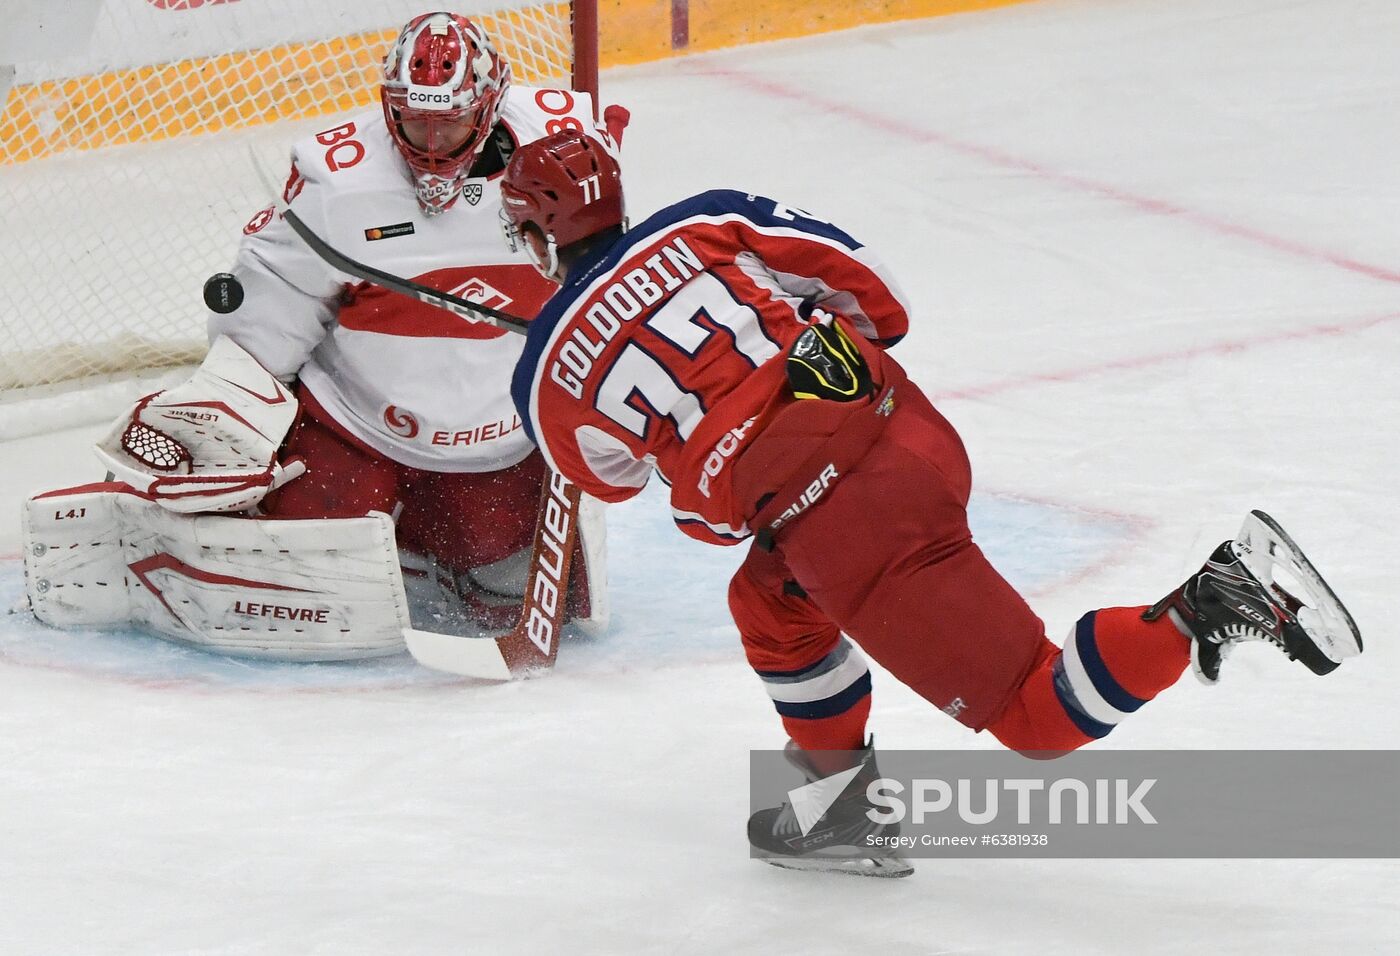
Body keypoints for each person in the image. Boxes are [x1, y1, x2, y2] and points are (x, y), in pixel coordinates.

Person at [496, 131, 1365, 875]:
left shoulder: (541, 373)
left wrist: (720, 450)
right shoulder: (706, 221)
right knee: (767, 600)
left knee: (1037, 716)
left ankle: (1203, 601)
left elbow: (636, 487)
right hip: (914, 437)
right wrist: (822, 384)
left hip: (851, 525)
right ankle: (837, 811)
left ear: (537, 233)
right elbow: (876, 296)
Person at [22, 15, 619, 660]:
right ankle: (174, 533)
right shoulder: (340, 180)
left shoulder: (562, 152)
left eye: (449, 121)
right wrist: (237, 405)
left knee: (501, 590)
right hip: (355, 426)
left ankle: (420, 542)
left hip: (500, 437)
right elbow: (274, 299)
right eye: (416, 122)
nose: (433, 140)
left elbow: (603, 279)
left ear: (489, 104)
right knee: (299, 565)